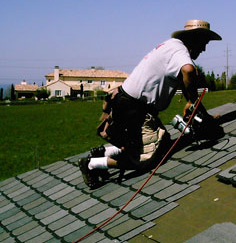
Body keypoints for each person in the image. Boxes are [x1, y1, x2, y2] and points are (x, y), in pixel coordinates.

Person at [78, 19, 222, 189]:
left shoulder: (171, 47)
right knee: (146, 160)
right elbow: (188, 71)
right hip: (135, 108)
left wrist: (203, 114)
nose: (204, 49)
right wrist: (191, 101)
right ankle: (92, 164)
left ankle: (102, 152)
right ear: (194, 38)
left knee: (161, 143)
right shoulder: (180, 51)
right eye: (204, 43)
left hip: (125, 103)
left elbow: (185, 85)